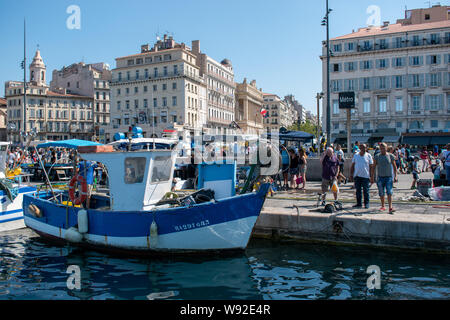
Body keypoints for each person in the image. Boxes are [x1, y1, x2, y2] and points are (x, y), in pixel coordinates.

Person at [371, 143, 397, 214]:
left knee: (389, 192)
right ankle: (383, 205)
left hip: (388, 177)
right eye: (381, 148)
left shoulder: (390, 156)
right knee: (381, 192)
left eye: (384, 148)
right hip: (380, 177)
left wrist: (395, 176)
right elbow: (373, 167)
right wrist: (372, 177)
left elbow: (394, 167)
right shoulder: (377, 156)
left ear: (386, 148)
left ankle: (390, 207)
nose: (382, 149)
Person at [350, 144, 373, 209]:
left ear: (366, 148)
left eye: (365, 147)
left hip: (366, 176)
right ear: (360, 148)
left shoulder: (368, 155)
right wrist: (351, 174)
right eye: (362, 147)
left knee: (366, 191)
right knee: (358, 191)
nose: (363, 149)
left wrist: (371, 176)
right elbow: (353, 165)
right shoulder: (356, 155)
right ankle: (359, 203)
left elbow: (371, 166)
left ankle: (366, 203)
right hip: (357, 176)